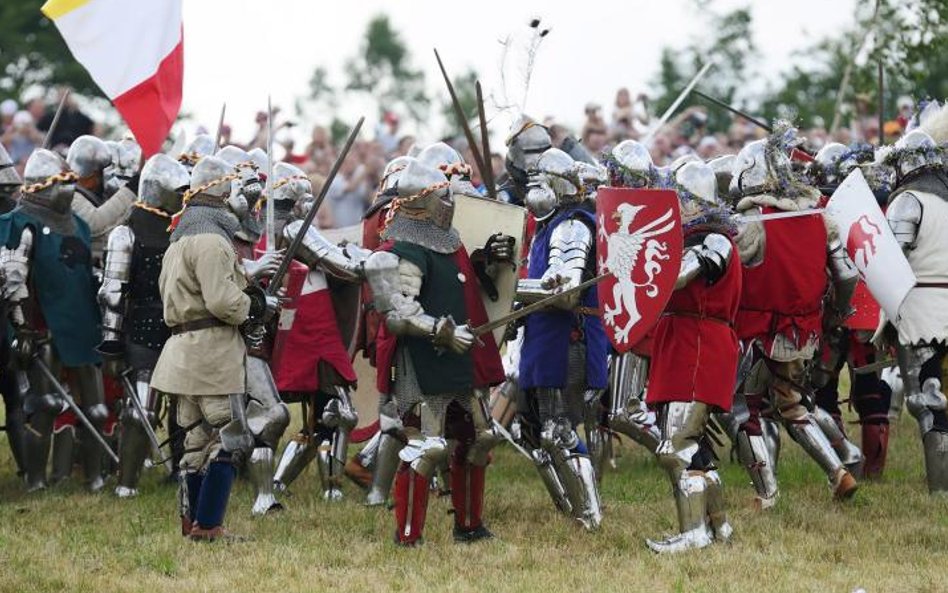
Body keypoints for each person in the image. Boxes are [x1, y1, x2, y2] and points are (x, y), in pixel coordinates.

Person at [364, 158, 507, 545]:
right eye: (443, 196)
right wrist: (441, 332)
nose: (450, 202)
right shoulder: (400, 249)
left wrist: (490, 263)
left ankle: (469, 526)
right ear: (421, 202)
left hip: (462, 358)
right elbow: (397, 313)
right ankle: (408, 535)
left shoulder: (450, 241)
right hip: (424, 361)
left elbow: (463, 289)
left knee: (480, 438)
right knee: (426, 447)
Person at [729, 122, 859, 507]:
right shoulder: (818, 215)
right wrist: (836, 311)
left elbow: (728, 272)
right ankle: (839, 472)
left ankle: (767, 494)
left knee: (741, 409)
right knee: (793, 406)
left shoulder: (754, 221)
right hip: (804, 333)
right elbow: (847, 274)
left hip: (756, 333)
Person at [150, 155, 279, 541]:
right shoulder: (211, 241)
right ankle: (208, 526)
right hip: (210, 350)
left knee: (194, 440)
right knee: (230, 436)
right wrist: (257, 305)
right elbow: (224, 301)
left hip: (184, 348)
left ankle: (192, 524)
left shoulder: (180, 239)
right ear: (222, 191)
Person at [0, 148, 107, 492]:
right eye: (61, 181)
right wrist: (23, 327)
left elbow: (86, 275)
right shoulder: (21, 223)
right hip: (42, 329)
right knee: (43, 405)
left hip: (82, 324)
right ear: (41, 185)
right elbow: (14, 281)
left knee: (97, 409)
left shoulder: (78, 225)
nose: (68, 188)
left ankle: (95, 476)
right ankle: (36, 480)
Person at [515, 147, 607, 529]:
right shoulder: (550, 225)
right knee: (541, 432)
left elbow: (565, 290)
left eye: (542, 176)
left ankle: (590, 516)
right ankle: (573, 508)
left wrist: (511, 290)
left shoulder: (572, 225)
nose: (534, 184)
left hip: (568, 338)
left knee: (561, 430)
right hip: (545, 336)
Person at [98, 153, 189, 497]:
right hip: (140, 330)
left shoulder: (180, 230)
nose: (181, 195)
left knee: (186, 406)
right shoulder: (125, 232)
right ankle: (127, 484)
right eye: (176, 189)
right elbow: (113, 292)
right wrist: (111, 343)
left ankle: (181, 471)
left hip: (178, 327)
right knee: (140, 412)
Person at [881, 123, 948, 494]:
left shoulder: (908, 201)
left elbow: (890, 257)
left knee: (927, 401)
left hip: (922, 311)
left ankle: (941, 489)